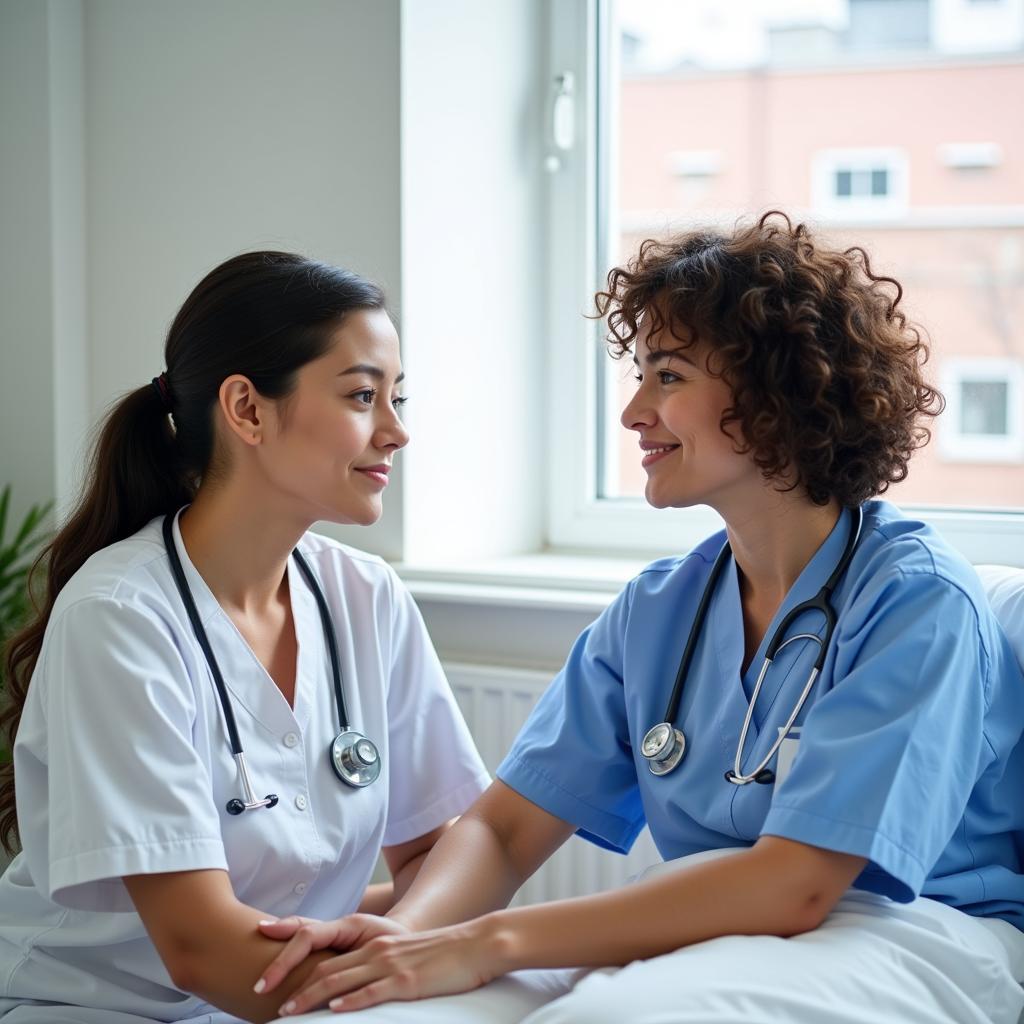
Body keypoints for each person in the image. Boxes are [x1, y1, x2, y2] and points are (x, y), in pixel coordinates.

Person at [253, 214, 1024, 1024]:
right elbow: (507, 831)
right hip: (707, 921)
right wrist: (402, 942)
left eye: (668, 376)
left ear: (776, 392)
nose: (632, 413)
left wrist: (485, 943)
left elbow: (798, 882)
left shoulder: (918, 602)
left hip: (917, 932)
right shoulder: (660, 610)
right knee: (376, 1016)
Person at [0, 252, 490, 1023]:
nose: (396, 432)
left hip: (270, 997)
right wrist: (404, 980)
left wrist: (404, 946)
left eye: (398, 398)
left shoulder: (368, 597)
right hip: (96, 1006)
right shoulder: (120, 615)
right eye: (364, 396)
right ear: (248, 409)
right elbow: (201, 949)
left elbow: (437, 851)